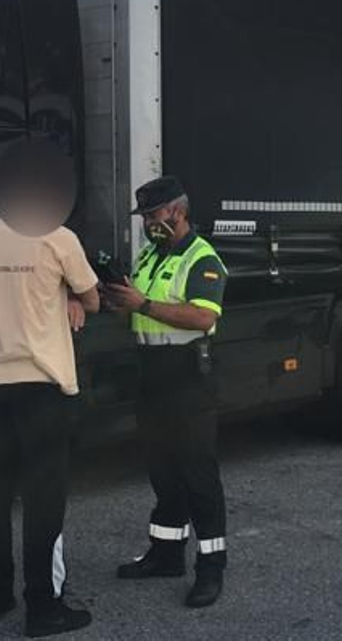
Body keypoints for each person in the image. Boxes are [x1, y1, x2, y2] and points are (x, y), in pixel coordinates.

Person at [0, 141, 100, 637]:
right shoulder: (58, 237)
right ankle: (44, 609)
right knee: (44, 505)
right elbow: (91, 299)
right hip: (42, 387)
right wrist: (71, 297)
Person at [100, 175, 230, 608]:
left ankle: (211, 568)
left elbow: (203, 317)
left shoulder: (202, 257)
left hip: (189, 380)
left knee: (198, 476)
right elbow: (136, 315)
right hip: (152, 377)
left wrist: (143, 304)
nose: (147, 223)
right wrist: (119, 301)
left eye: (153, 214)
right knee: (163, 472)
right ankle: (166, 554)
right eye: (144, 217)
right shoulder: (149, 256)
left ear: (178, 210)